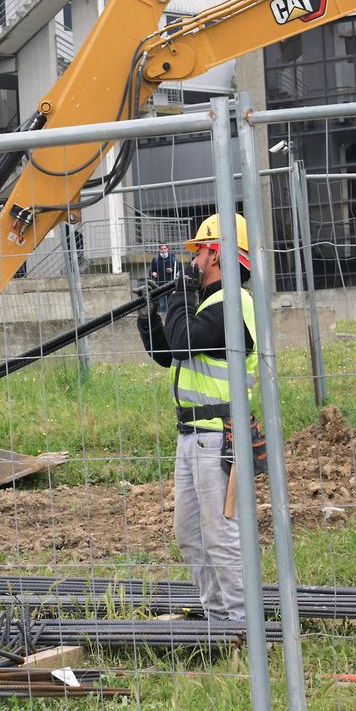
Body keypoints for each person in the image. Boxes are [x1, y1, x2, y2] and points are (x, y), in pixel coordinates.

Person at [137, 213, 256, 622]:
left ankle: (242, 627)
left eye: (201, 251)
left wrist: (180, 297)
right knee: (189, 534)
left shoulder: (234, 302)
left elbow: (186, 338)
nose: (194, 260)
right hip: (192, 435)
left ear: (217, 253)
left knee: (221, 538)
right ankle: (217, 620)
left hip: (218, 435)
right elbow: (170, 351)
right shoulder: (207, 303)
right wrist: (150, 311)